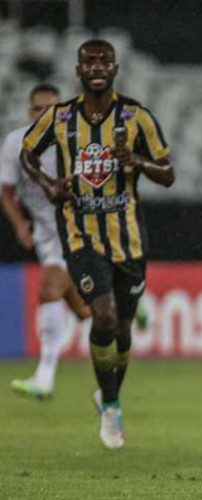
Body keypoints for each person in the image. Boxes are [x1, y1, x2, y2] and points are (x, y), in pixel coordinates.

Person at [20, 39, 174, 449]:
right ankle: (110, 405)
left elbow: (168, 171)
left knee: (122, 331)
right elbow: (28, 154)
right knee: (102, 316)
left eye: (104, 60)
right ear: (77, 70)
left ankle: (108, 395)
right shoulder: (59, 117)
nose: (97, 67)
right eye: (89, 61)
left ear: (116, 68)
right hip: (80, 233)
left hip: (129, 240)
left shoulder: (136, 116)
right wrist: (50, 184)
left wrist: (137, 162)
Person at [1, 84, 91, 399]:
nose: (46, 115)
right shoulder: (15, 144)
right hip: (45, 236)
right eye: (39, 109)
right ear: (30, 112)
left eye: (52, 109)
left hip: (80, 232)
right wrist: (19, 225)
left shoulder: (77, 142)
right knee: (82, 311)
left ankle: (45, 376)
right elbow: (7, 192)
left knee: (49, 288)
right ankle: (131, 307)